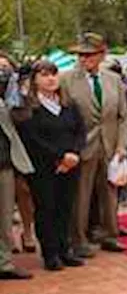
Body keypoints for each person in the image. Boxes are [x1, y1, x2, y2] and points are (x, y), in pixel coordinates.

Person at [64, 33, 127, 257]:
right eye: (80, 55)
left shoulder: (114, 80)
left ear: (102, 55)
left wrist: (122, 145)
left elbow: (123, 116)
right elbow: (64, 117)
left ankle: (109, 235)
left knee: (109, 192)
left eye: (89, 55)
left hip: (110, 146)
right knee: (80, 196)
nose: (83, 59)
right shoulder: (66, 80)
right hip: (82, 146)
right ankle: (78, 239)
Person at [16, 60, 87, 271]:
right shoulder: (30, 108)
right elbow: (32, 139)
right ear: (35, 80)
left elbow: (80, 131)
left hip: (71, 164)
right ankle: (50, 253)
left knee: (65, 207)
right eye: (45, 75)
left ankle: (65, 250)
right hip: (44, 167)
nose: (51, 79)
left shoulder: (68, 104)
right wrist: (59, 156)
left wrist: (73, 153)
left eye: (54, 74)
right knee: (46, 208)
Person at [0, 53, 34, 280]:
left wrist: (21, 88)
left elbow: (22, 117)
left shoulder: (9, 98)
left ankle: (4, 262)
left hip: (4, 161)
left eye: (5, 69)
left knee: (4, 215)